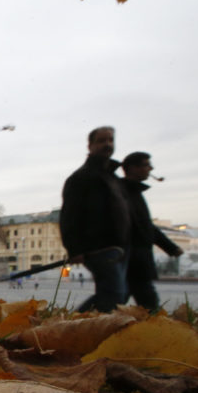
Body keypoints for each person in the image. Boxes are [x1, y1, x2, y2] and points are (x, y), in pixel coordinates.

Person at [60, 126, 131, 313]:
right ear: (90, 145)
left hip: (118, 247)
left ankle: (75, 324)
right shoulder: (81, 178)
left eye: (110, 140)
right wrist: (74, 248)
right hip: (99, 247)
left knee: (119, 294)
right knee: (114, 294)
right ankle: (72, 325)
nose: (107, 144)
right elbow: (69, 215)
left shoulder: (112, 177)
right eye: (101, 140)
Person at [119, 151, 183, 311]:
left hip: (132, 256)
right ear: (133, 168)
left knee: (118, 297)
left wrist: (170, 247)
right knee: (144, 298)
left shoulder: (131, 191)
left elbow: (146, 226)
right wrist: (170, 247)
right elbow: (143, 226)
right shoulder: (125, 192)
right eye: (147, 165)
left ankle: (81, 323)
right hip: (132, 256)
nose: (151, 168)